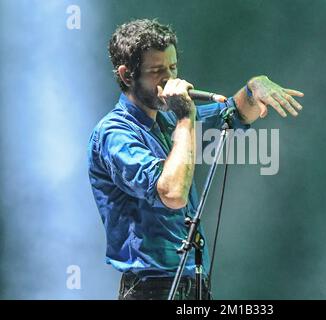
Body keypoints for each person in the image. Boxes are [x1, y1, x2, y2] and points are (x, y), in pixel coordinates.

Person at [87, 18, 304, 300]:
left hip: (193, 285)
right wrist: (185, 117)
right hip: (150, 289)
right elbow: (173, 193)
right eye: (157, 71)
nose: (171, 80)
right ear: (127, 75)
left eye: (173, 68)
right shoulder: (114, 134)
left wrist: (253, 88)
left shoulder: (167, 120)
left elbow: (232, 114)